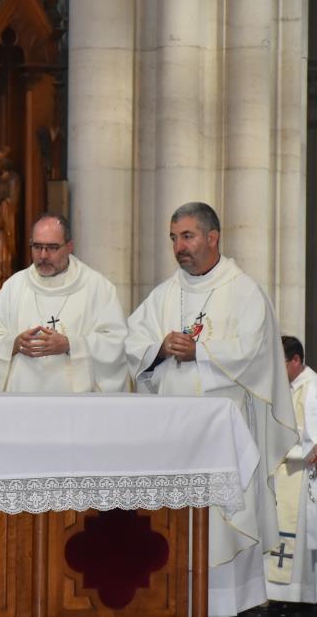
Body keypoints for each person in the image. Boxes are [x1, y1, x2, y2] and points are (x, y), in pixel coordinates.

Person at [125, 201, 296, 615]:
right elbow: (133, 342)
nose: (179, 247)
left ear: (213, 237)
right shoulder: (165, 294)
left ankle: (227, 605)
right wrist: (160, 348)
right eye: (174, 238)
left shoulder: (243, 290)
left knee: (224, 526)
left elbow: (255, 352)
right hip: (172, 440)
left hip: (224, 438)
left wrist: (200, 351)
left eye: (187, 236)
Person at [0, 212, 128, 393]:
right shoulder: (14, 287)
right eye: (37, 247)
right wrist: (14, 344)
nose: (43, 255)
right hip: (22, 400)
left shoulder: (97, 288)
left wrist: (69, 344)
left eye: (52, 247)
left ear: (69, 247)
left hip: (74, 407)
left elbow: (115, 342)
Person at [266, 335, 317, 603]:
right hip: (282, 470)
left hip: (302, 473)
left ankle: (299, 596)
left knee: (296, 531)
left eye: (280, 363)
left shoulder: (313, 388)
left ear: (296, 360)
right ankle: (277, 594)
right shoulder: (282, 386)